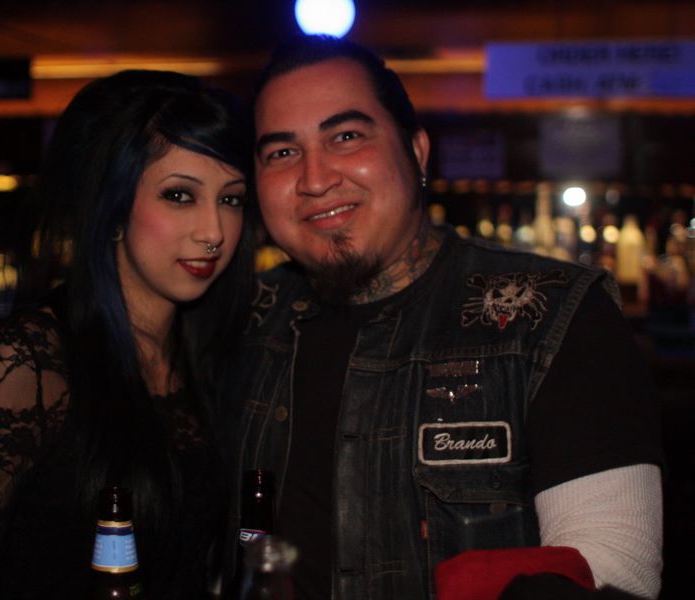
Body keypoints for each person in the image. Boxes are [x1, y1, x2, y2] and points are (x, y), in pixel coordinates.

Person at [221, 35, 663, 600]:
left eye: (346, 136)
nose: (314, 178)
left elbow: (614, 572)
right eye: (282, 153)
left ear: (417, 151)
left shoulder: (552, 315)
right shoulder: (238, 322)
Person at [0, 70, 256, 599]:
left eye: (232, 199)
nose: (214, 232)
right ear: (112, 207)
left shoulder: (215, 351)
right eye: (179, 195)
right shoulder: (26, 363)